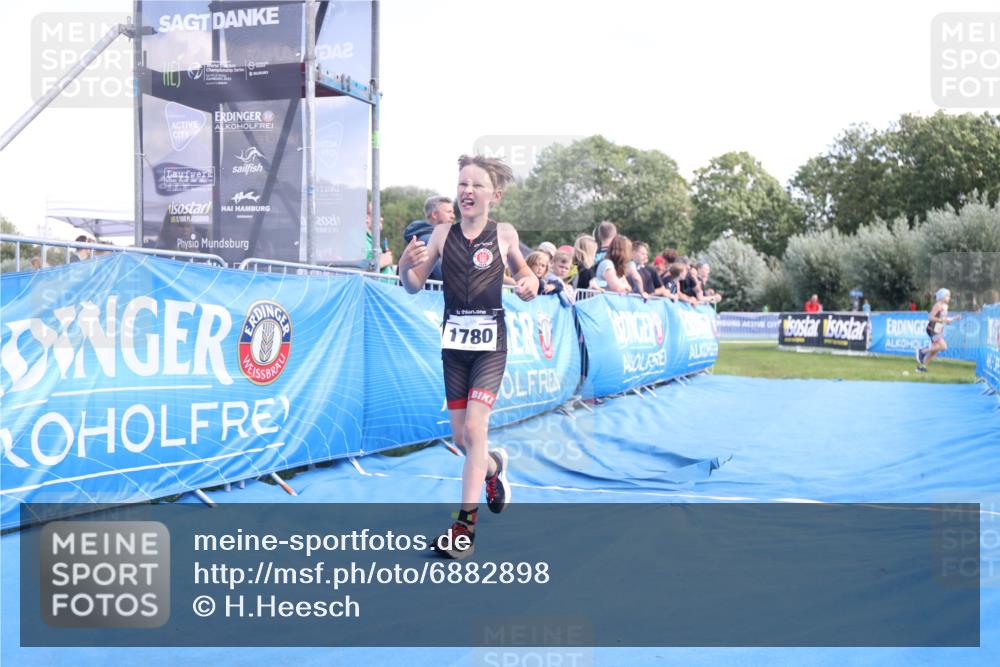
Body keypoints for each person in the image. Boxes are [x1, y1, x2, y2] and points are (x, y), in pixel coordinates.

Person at [398, 155, 538, 559]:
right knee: (462, 438)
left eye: (476, 185)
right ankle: (493, 467)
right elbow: (412, 285)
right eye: (462, 184)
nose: (467, 191)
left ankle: (464, 530)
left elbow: (527, 274)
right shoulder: (441, 234)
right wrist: (406, 268)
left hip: (490, 347)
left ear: (494, 195)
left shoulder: (505, 234)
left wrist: (529, 282)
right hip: (454, 348)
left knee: (476, 427)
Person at [403, 196, 455, 281]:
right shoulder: (428, 240)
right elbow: (443, 275)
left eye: (452, 212)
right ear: (435, 214)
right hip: (429, 293)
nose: (453, 216)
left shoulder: (422, 237)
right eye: (448, 212)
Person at [916, 288, 961, 372]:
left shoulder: (946, 306)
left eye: (949, 296)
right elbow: (931, 317)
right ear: (942, 296)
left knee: (936, 349)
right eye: (947, 295)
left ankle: (922, 367)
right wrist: (942, 320)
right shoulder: (938, 305)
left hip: (938, 328)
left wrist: (949, 321)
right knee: (943, 347)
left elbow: (942, 318)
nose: (949, 298)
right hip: (932, 329)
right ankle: (922, 351)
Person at [365, 202, 395, 274]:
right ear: (366, 217)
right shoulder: (358, 239)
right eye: (377, 214)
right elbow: (357, 269)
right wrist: (385, 259)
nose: (381, 219)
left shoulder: (370, 239)